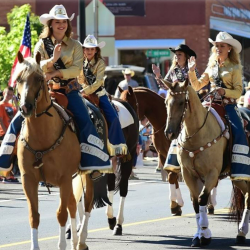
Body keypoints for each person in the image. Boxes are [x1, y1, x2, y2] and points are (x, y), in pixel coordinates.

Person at [0, 5, 111, 180]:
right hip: (45, 91)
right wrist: (53, 60)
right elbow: (34, 65)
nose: (61, 25)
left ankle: (92, 163)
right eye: (57, 22)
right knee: (19, 118)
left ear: (68, 24)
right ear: (50, 24)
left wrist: (57, 72)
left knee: (85, 119)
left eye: (64, 22)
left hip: (70, 91)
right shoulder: (41, 44)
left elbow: (76, 69)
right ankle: (5, 160)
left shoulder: (75, 45)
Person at [188, 31, 250, 181]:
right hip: (210, 104)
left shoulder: (234, 68)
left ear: (229, 48)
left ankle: (239, 170)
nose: (218, 48)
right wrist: (191, 71)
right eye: (217, 45)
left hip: (229, 107)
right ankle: (180, 159)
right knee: (188, 120)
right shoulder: (211, 67)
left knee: (239, 132)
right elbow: (196, 86)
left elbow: (237, 92)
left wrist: (224, 91)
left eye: (222, 46)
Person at [78, 34, 128, 158]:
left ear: (96, 50)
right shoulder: (79, 63)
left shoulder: (100, 62)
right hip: (82, 93)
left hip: (99, 94)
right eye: (87, 49)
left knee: (114, 118)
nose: (89, 51)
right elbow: (79, 79)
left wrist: (85, 90)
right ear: (83, 49)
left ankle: (115, 146)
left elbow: (99, 81)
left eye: (92, 49)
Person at [152, 44, 199, 172]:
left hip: (188, 102)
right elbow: (164, 86)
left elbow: (197, 86)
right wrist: (158, 75)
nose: (177, 57)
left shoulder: (192, 69)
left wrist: (191, 72)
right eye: (176, 54)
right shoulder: (173, 70)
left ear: (186, 56)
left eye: (180, 54)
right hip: (173, 102)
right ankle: (158, 140)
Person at [0, 87, 19, 183]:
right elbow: (0, 120)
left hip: (12, 132)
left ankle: (8, 174)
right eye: (8, 94)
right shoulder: (1, 105)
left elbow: (19, 113)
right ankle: (5, 176)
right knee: (6, 153)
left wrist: (16, 103)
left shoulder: (11, 105)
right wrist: (6, 133)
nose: (9, 96)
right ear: (4, 93)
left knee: (12, 153)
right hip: (4, 133)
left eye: (11, 95)